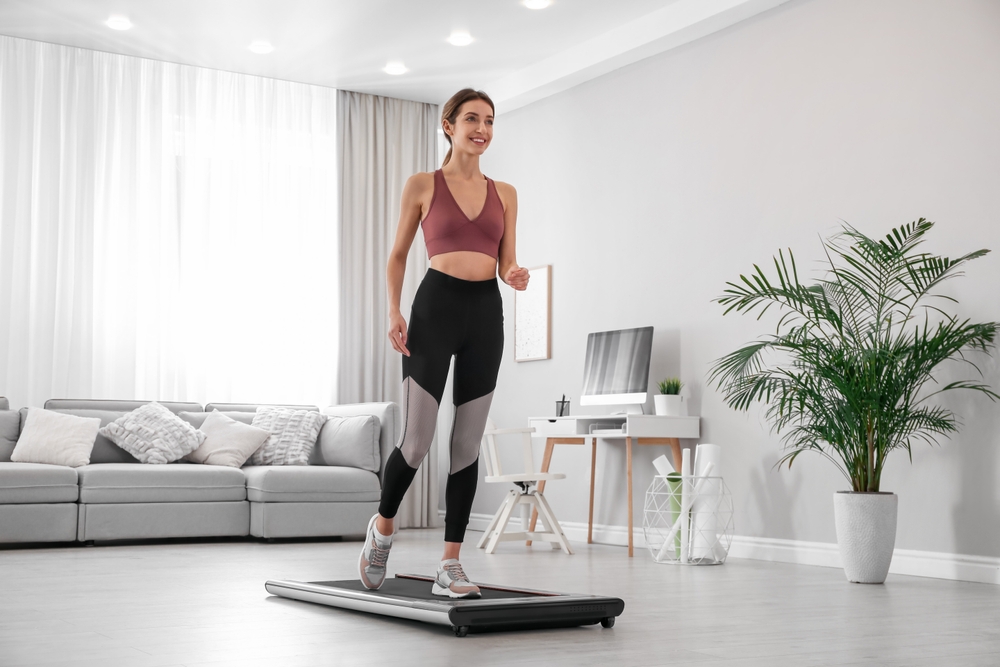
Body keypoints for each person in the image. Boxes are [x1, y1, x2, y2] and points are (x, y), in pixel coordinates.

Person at [358, 88, 529, 598]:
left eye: (490, 121)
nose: (483, 129)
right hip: (434, 309)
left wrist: (514, 273)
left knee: (467, 444)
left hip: (486, 313)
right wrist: (393, 310)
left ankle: (450, 564)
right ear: (448, 125)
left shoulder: (507, 193)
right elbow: (396, 255)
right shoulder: (422, 185)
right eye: (472, 119)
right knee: (416, 441)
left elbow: (506, 259)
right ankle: (383, 528)